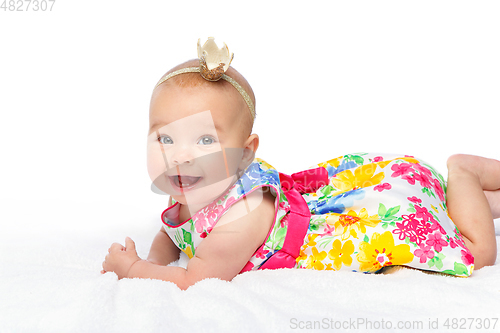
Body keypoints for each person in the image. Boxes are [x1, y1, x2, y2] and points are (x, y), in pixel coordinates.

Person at [101, 38, 499, 290]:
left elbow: (195, 279)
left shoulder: (241, 214)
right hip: (360, 191)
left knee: (475, 253)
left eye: (205, 140)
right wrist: (157, 260)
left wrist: (135, 269)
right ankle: (477, 201)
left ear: (246, 152)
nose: (181, 154)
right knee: (443, 209)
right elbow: (175, 232)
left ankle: (464, 173)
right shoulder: (196, 183)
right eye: (165, 138)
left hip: (362, 222)